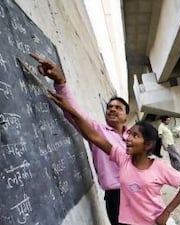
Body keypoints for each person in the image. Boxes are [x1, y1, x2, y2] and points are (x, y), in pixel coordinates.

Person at [48, 91, 180, 225]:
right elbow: (92, 136)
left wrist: (166, 213)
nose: (128, 139)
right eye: (129, 135)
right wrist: (70, 109)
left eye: (134, 136)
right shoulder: (122, 157)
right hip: (120, 208)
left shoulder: (159, 166)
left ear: (148, 145)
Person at [30, 53, 130, 225]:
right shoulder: (98, 131)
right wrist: (60, 83)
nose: (112, 109)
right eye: (109, 107)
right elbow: (75, 114)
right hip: (117, 198)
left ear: (126, 117)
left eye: (118, 108)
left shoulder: (134, 137)